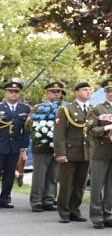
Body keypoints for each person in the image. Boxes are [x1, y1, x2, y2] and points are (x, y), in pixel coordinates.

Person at [87, 79, 112, 228]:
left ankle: (108, 214)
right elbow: (91, 130)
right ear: (105, 93)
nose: (111, 94)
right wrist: (106, 128)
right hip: (101, 151)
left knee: (111, 186)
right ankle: (97, 216)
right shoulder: (97, 109)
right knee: (97, 185)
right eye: (109, 91)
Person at [53, 82, 93, 223]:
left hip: (86, 153)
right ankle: (64, 211)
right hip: (70, 152)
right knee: (66, 184)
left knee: (80, 184)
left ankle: (75, 210)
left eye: (89, 90)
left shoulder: (92, 110)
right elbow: (59, 134)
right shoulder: (65, 109)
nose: (88, 92)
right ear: (76, 92)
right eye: (84, 90)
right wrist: (60, 153)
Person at [27, 81, 67, 212]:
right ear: (46, 93)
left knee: (53, 175)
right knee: (39, 175)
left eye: (59, 92)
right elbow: (28, 126)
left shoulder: (65, 108)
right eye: (53, 92)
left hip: (57, 147)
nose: (56, 94)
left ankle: (49, 199)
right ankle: (37, 200)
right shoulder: (38, 108)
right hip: (41, 146)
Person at [0, 81, 32, 208]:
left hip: (14, 146)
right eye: (11, 92)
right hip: (0, 145)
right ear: (5, 93)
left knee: (9, 173)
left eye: (16, 92)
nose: (13, 94)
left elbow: (26, 129)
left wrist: (23, 147)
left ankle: (5, 198)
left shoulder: (25, 109)